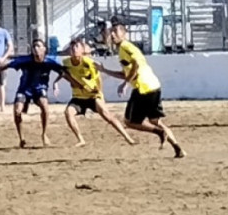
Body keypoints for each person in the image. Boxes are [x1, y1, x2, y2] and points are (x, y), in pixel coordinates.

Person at [110, 23, 184, 157]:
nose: (112, 35)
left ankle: (160, 133)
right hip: (154, 86)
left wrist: (126, 84)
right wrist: (104, 70)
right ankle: (178, 149)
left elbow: (136, 64)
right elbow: (126, 72)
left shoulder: (125, 46)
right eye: (111, 32)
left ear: (124, 33)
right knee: (155, 121)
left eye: (116, 31)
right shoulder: (123, 49)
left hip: (143, 88)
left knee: (130, 122)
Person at [0, 38, 65, 148]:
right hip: (24, 89)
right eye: (34, 46)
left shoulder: (50, 61)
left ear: (44, 49)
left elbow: (64, 72)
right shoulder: (25, 60)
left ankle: (44, 134)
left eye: (38, 46)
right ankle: (22, 138)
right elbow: (6, 65)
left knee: (45, 106)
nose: (36, 49)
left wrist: (56, 83)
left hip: (40, 89)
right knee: (17, 111)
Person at [60, 37, 137, 147]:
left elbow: (98, 78)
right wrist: (69, 82)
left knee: (107, 115)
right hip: (78, 97)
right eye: (72, 48)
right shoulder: (66, 62)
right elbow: (64, 73)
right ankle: (80, 139)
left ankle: (128, 138)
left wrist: (98, 91)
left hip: (93, 95)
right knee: (68, 113)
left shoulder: (89, 62)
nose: (74, 49)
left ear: (82, 50)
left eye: (76, 47)